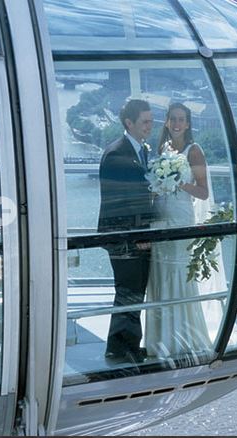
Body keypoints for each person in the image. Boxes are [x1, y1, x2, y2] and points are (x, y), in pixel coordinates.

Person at [144, 102, 220, 361]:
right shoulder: (162, 149)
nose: (176, 124)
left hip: (180, 219)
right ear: (166, 122)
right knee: (160, 273)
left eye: (181, 119)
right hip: (160, 217)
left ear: (188, 124)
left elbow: (203, 192)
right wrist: (158, 185)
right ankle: (160, 340)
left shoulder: (194, 151)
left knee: (177, 273)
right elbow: (155, 186)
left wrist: (179, 181)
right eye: (172, 119)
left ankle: (184, 340)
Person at [97, 99, 155, 364]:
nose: (149, 126)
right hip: (126, 237)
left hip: (134, 235)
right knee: (128, 291)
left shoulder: (139, 150)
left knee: (132, 290)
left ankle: (124, 345)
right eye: (144, 122)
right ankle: (123, 348)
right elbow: (122, 203)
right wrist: (138, 237)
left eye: (151, 121)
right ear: (128, 123)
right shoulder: (116, 154)